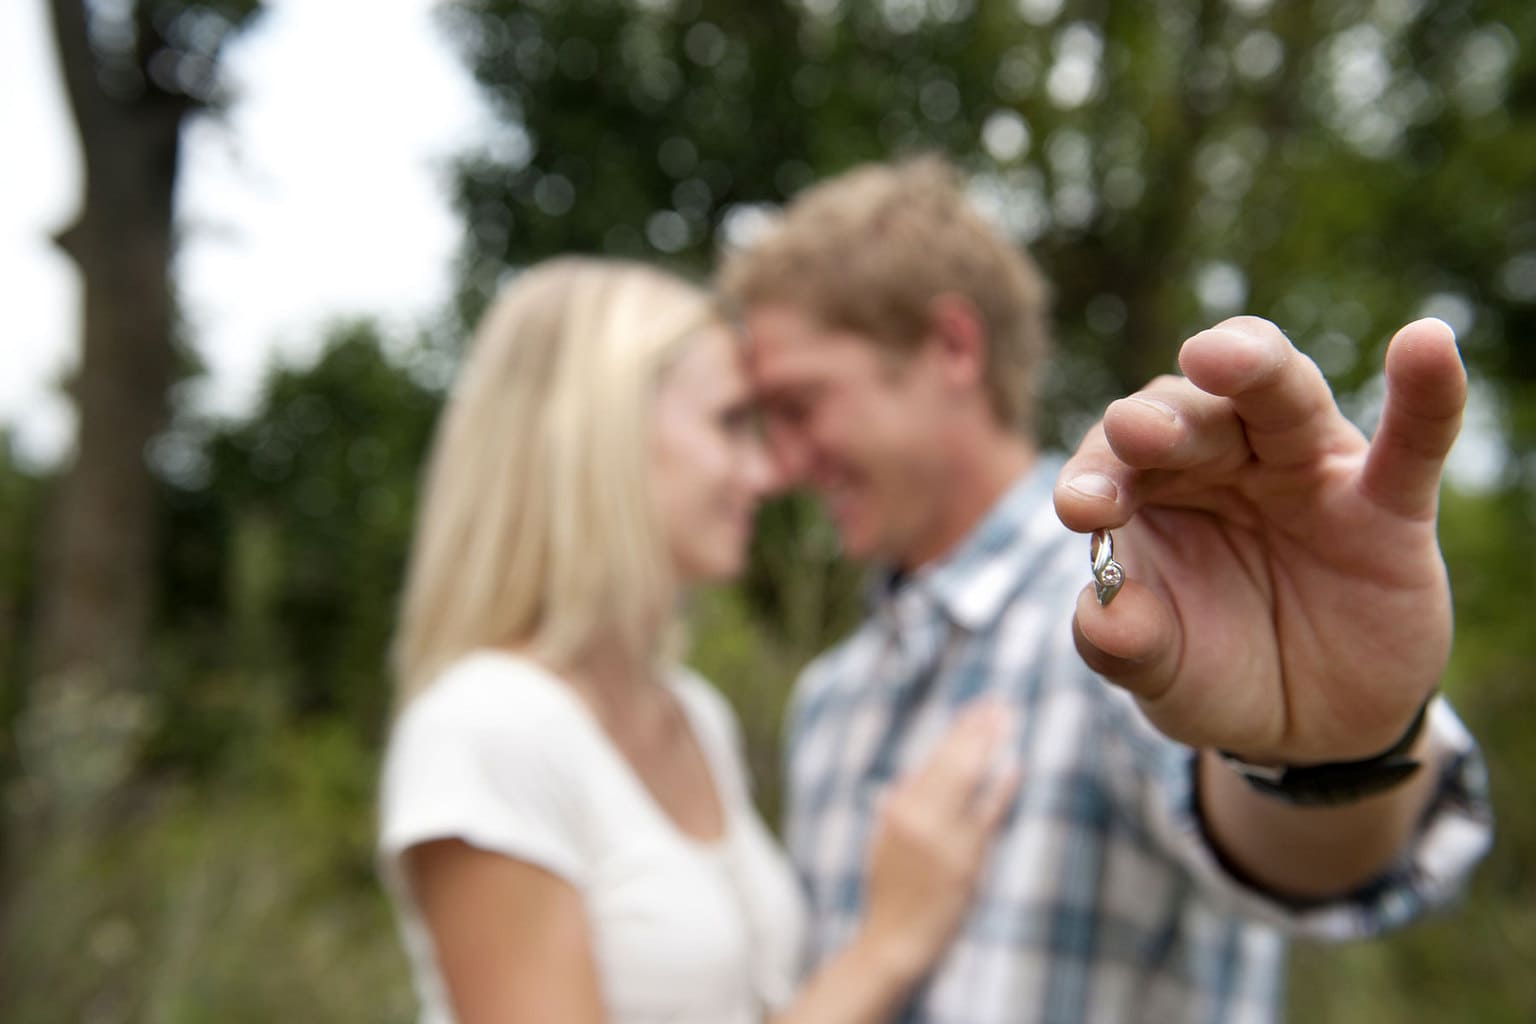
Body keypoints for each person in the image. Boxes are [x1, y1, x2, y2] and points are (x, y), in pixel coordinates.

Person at [718, 156, 1493, 1023]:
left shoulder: (1154, 592)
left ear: (953, 348)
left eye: (801, 405)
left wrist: (1332, 754)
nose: (781, 463)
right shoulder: (826, 702)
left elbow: (1299, 856)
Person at [377, 257, 1022, 1024]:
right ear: (603, 438)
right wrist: (886, 947)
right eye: (730, 424)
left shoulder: (694, 716)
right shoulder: (489, 728)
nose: (766, 473)